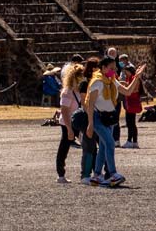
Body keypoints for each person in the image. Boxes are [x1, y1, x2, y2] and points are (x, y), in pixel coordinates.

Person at [86, 58, 125, 187]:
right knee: (110, 143)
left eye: (115, 69)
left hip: (109, 118)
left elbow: (127, 91)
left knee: (103, 147)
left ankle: (96, 176)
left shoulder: (112, 81)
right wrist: (90, 124)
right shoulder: (97, 82)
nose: (113, 71)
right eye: (111, 68)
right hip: (98, 117)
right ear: (102, 68)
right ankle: (113, 174)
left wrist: (137, 77)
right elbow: (90, 104)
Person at [55, 60, 87, 183]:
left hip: (78, 121)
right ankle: (61, 174)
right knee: (64, 147)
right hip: (67, 122)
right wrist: (69, 129)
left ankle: (87, 172)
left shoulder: (80, 90)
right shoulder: (67, 92)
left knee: (88, 146)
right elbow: (64, 111)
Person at [118, 59, 149, 149]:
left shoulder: (135, 78)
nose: (125, 73)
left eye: (126, 72)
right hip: (130, 101)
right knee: (131, 123)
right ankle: (133, 141)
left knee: (131, 123)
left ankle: (130, 140)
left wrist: (126, 86)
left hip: (132, 101)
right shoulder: (130, 78)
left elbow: (134, 89)